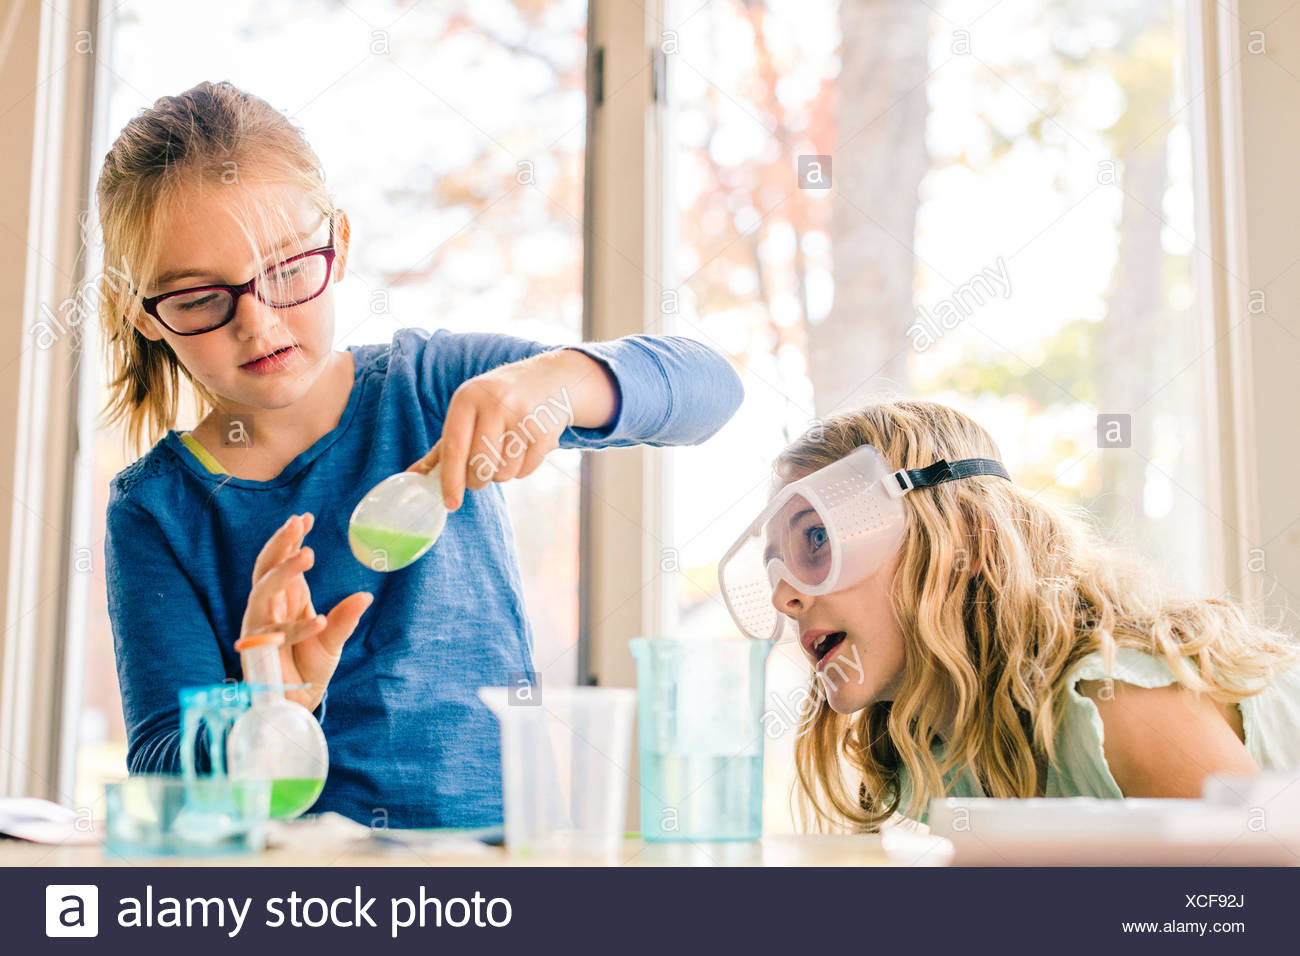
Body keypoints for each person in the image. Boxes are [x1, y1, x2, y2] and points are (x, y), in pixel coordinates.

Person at [98, 80, 743, 828]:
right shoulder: (154, 511)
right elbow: (161, 768)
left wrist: (563, 380)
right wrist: (268, 708)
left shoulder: (432, 387)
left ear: (338, 241)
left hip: (500, 869)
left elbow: (711, 388)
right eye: (200, 298)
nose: (258, 321)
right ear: (140, 313)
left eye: (286, 269)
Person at [718, 400, 1300, 830]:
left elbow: (1251, 913)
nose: (783, 597)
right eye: (774, 567)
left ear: (966, 539)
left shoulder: (1114, 699)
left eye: (817, 537)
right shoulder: (925, 757)